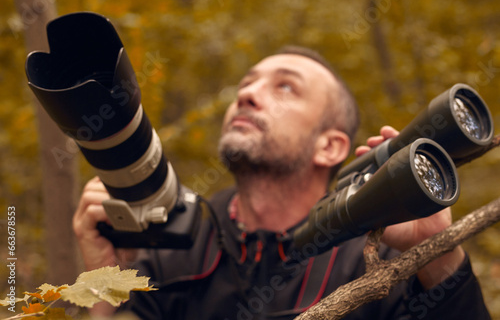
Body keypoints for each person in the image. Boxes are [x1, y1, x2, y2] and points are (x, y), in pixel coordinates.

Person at [73, 46, 491, 319]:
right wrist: (103, 278)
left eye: (285, 87)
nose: (248, 95)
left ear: (329, 147)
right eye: (246, 84)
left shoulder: (374, 261)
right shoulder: (178, 244)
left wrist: (436, 258)